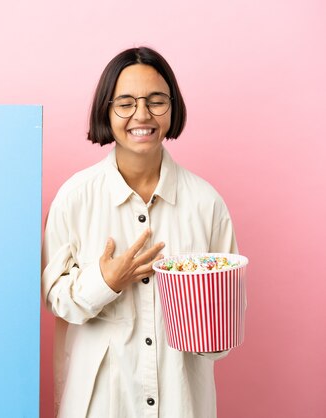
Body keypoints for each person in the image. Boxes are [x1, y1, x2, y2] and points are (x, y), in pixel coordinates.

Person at [41, 47, 239, 418]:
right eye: (126, 103)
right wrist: (106, 281)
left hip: (183, 404)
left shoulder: (206, 204)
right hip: (100, 404)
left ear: (173, 106)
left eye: (156, 101)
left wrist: (207, 320)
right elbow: (54, 297)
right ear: (107, 109)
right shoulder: (75, 197)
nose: (142, 115)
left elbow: (224, 327)